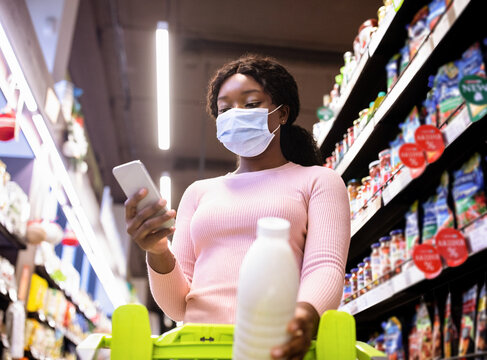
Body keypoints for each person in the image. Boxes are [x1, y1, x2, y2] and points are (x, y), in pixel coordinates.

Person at [124, 54, 351, 359]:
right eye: (225, 109)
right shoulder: (198, 193)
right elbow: (177, 305)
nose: (236, 114)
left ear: (282, 113)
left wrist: (305, 317)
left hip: (275, 347)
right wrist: (157, 252)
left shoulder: (318, 181)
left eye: (251, 103)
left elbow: (325, 266)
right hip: (197, 349)